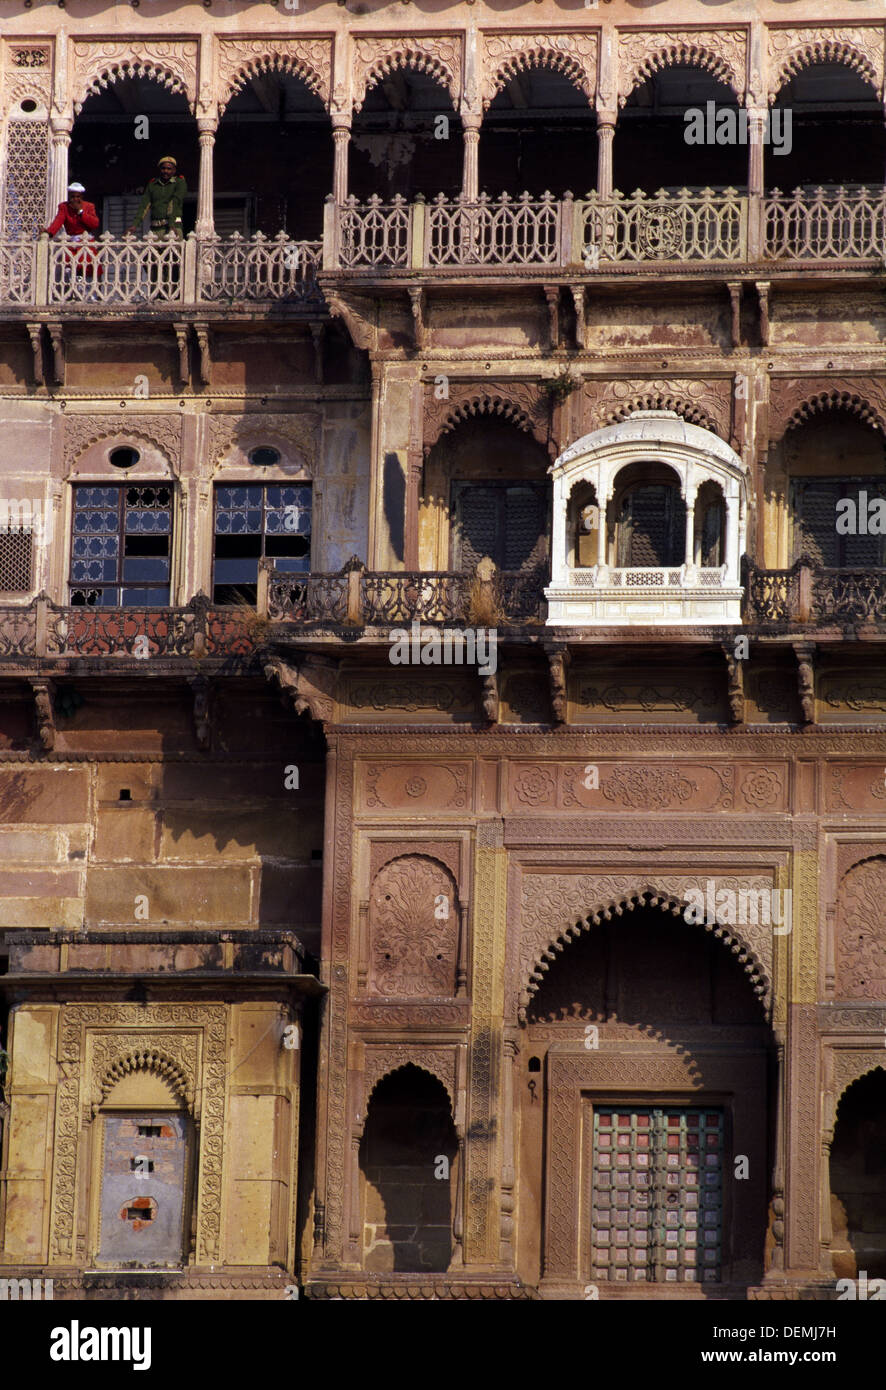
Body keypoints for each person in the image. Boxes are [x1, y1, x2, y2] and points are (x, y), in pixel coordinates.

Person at [43, 182, 103, 279]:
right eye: (72, 196)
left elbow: (94, 224)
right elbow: (58, 221)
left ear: (81, 197)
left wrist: (80, 212)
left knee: (89, 272)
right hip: (72, 244)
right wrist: (49, 232)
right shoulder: (64, 207)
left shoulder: (89, 206)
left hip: (86, 243)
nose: (75, 199)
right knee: (71, 272)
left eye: (77, 196)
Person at [127, 157, 187, 237]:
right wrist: (135, 225)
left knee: (175, 249)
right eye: (163, 168)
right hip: (156, 228)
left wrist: (171, 224)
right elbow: (144, 206)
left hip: (174, 227)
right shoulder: (153, 184)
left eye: (169, 169)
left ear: (174, 170)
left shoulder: (179, 182)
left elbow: (175, 202)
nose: (166, 171)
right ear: (159, 170)